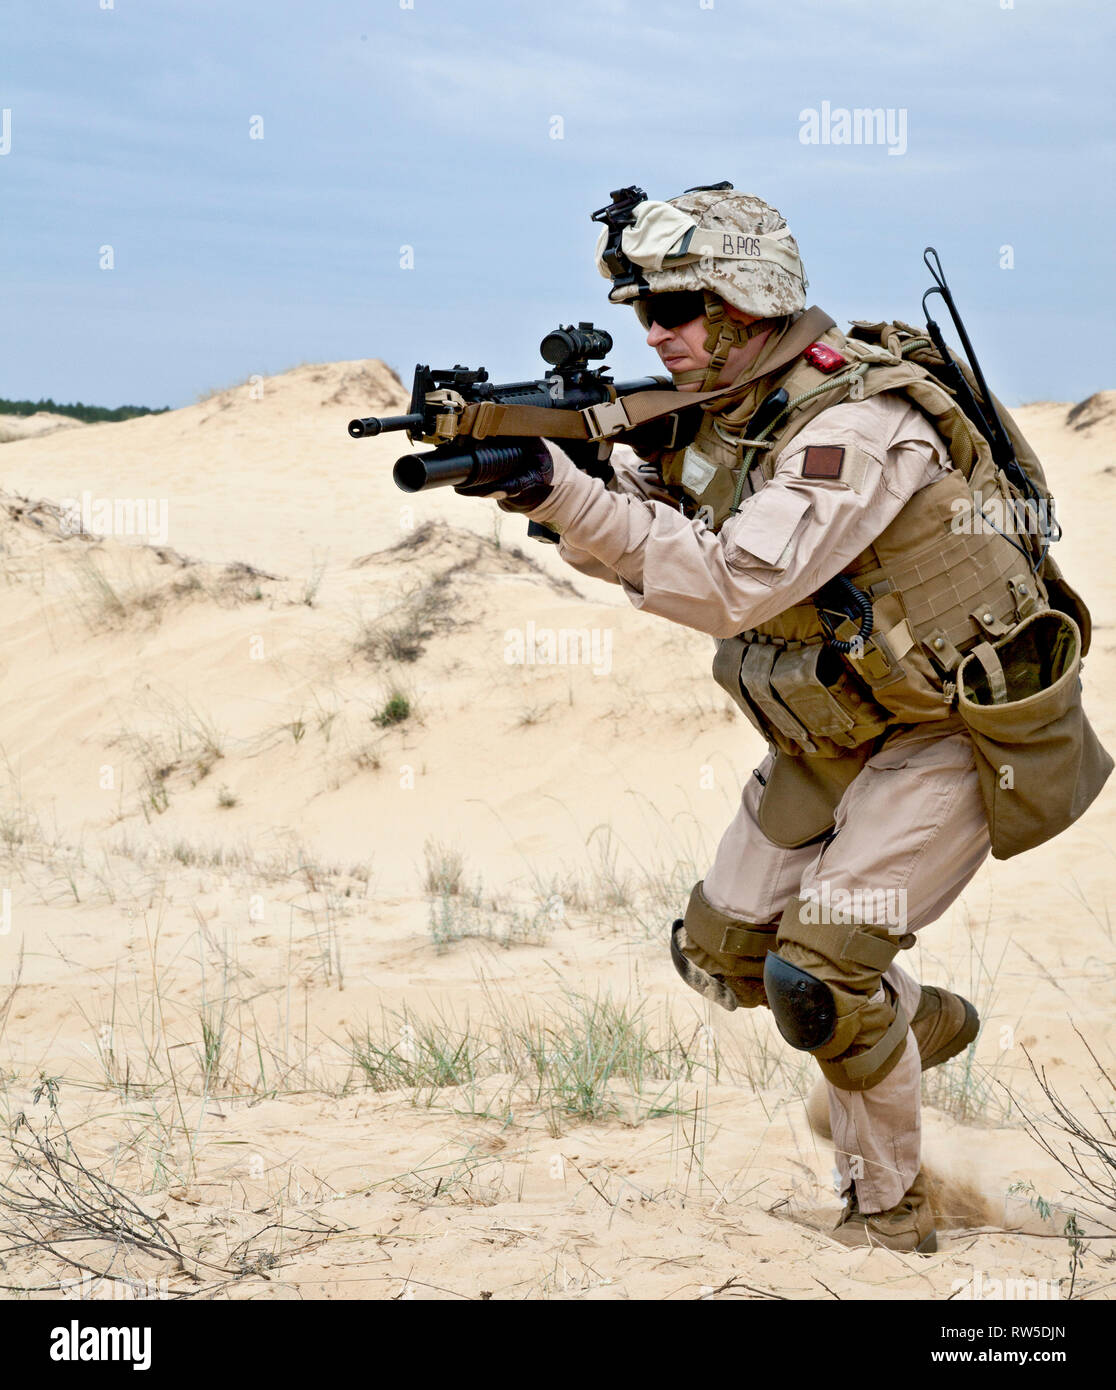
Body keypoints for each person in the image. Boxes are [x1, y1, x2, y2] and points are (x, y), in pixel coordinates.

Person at [453, 182, 1110, 1252]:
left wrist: (569, 498)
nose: (654, 334)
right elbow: (665, 522)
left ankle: (891, 1208)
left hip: (949, 731)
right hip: (837, 726)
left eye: (675, 308)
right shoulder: (729, 413)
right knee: (722, 953)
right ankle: (907, 1022)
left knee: (820, 977)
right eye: (643, 313)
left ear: (745, 304)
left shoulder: (854, 424)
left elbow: (729, 587)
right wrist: (563, 482)